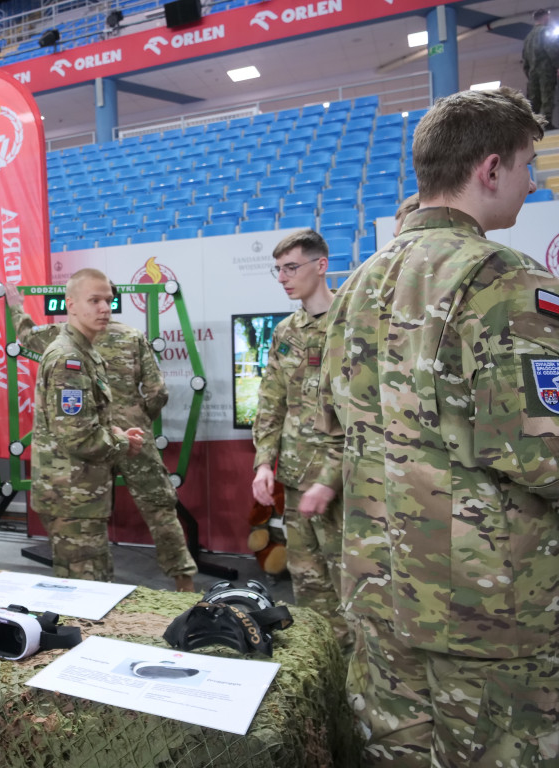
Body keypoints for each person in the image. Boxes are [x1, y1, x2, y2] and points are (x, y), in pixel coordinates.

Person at [302, 87, 559, 766]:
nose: (534, 183)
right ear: (491, 169)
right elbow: (544, 455)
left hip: (380, 590)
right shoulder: (505, 280)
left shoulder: (358, 283)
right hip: (487, 611)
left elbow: (336, 422)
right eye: (528, 165)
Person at [4, 282, 197, 592]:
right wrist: (140, 418)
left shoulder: (62, 337)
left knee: (86, 513)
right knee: (160, 508)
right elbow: (158, 391)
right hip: (132, 433)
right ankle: (184, 582)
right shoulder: (133, 336)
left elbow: (26, 336)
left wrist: (16, 307)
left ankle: (94, 587)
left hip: (90, 438)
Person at [250, 229, 348, 647]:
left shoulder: (354, 324)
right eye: (278, 269)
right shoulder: (285, 331)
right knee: (308, 586)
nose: (282, 278)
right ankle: (324, 663)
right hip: (295, 478)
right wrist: (262, 463)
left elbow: (365, 414)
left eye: (291, 267)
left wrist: (329, 478)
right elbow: (270, 402)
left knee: (351, 587)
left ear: (321, 265)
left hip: (344, 486)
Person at [30, 268, 145, 582]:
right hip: (72, 498)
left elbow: (79, 424)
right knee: (84, 590)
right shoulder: (70, 359)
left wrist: (115, 432)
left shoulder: (83, 352)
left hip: (78, 495)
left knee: (94, 583)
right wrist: (124, 443)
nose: (105, 308)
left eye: (108, 300)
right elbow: (78, 437)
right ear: (71, 304)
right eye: (95, 300)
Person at [522, 9, 559, 130]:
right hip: (546, 71)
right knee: (547, 97)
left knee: (534, 101)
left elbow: (525, 59)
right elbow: (551, 49)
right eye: (548, 17)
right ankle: (547, 123)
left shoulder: (528, 37)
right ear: (545, 17)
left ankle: (533, 126)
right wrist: (557, 66)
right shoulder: (545, 31)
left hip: (533, 73)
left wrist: (529, 73)